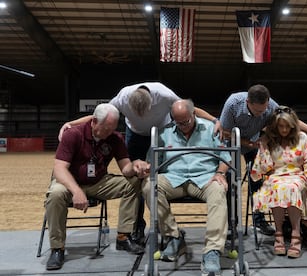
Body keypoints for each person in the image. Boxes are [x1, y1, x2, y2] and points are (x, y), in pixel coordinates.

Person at [58, 82, 222, 244]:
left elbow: (188, 109)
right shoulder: (123, 96)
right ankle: (137, 227)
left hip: (161, 134)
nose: (141, 116)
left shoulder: (164, 94)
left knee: (157, 179)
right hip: (135, 136)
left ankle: (163, 227)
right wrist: (72, 124)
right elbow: (99, 115)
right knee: (137, 178)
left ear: (152, 102)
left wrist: (215, 120)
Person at [45, 103, 149, 271]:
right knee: (55, 194)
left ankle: (123, 236)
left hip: (98, 182)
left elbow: (125, 169)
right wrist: (76, 191)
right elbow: (59, 168)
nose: (109, 133)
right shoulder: (73, 134)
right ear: (94, 121)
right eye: (106, 128)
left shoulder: (115, 138)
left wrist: (136, 165)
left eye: (113, 128)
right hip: (70, 182)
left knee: (134, 183)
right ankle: (57, 249)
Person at [141, 99, 231, 275]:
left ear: (194, 114)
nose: (182, 125)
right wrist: (145, 168)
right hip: (174, 178)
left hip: (205, 178)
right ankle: (174, 237)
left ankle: (212, 251)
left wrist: (220, 173)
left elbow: (225, 157)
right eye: (178, 122)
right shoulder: (163, 133)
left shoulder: (211, 129)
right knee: (149, 186)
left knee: (219, 190)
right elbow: (152, 163)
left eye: (186, 122)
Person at [219, 84, 307, 236]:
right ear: (247, 102)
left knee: (258, 180)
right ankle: (231, 224)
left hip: (255, 143)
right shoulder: (233, 104)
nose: (261, 114)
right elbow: (224, 132)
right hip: (232, 143)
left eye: (263, 110)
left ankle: (259, 220)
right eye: (257, 111)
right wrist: (248, 143)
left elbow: (291, 119)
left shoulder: (270, 105)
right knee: (231, 180)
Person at [250, 106, 307, 258]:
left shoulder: (302, 138)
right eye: (280, 126)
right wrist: (263, 147)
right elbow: (263, 169)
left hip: (297, 175)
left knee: (293, 187)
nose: (284, 130)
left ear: (293, 125)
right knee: (277, 186)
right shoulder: (269, 140)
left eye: (287, 126)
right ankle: (279, 232)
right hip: (275, 176)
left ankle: (296, 232)